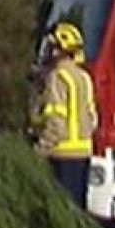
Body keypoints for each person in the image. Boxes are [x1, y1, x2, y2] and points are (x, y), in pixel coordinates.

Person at [35, 22, 97, 209]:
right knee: (77, 211)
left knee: (60, 210)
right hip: (84, 152)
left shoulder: (57, 77)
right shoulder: (84, 77)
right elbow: (92, 118)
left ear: (58, 50)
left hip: (61, 154)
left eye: (51, 47)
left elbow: (55, 119)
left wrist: (40, 149)